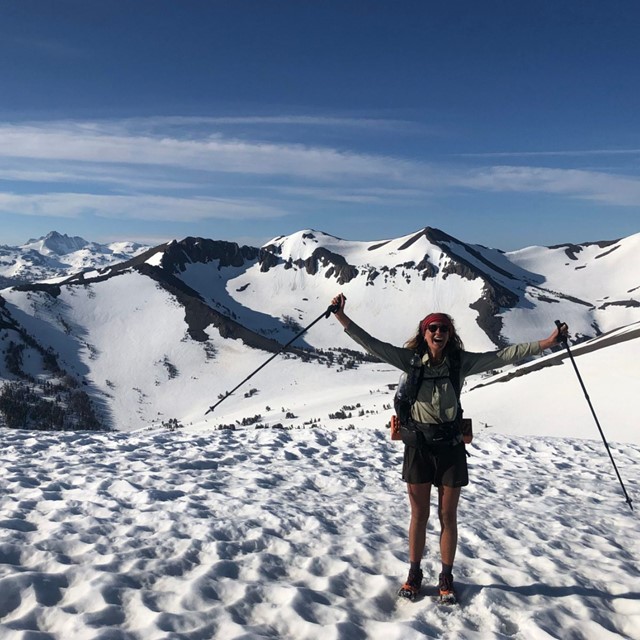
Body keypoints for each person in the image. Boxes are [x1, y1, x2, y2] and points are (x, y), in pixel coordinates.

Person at [330, 292, 567, 602]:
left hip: (450, 445)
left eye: (443, 329)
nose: (438, 333)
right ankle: (414, 573)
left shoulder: (460, 363)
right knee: (419, 515)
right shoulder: (411, 360)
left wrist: (546, 344)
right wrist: (341, 317)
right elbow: (372, 344)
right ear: (424, 333)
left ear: (450, 334)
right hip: (419, 444)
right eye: (433, 329)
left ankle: (445, 577)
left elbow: (505, 355)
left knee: (447, 515)